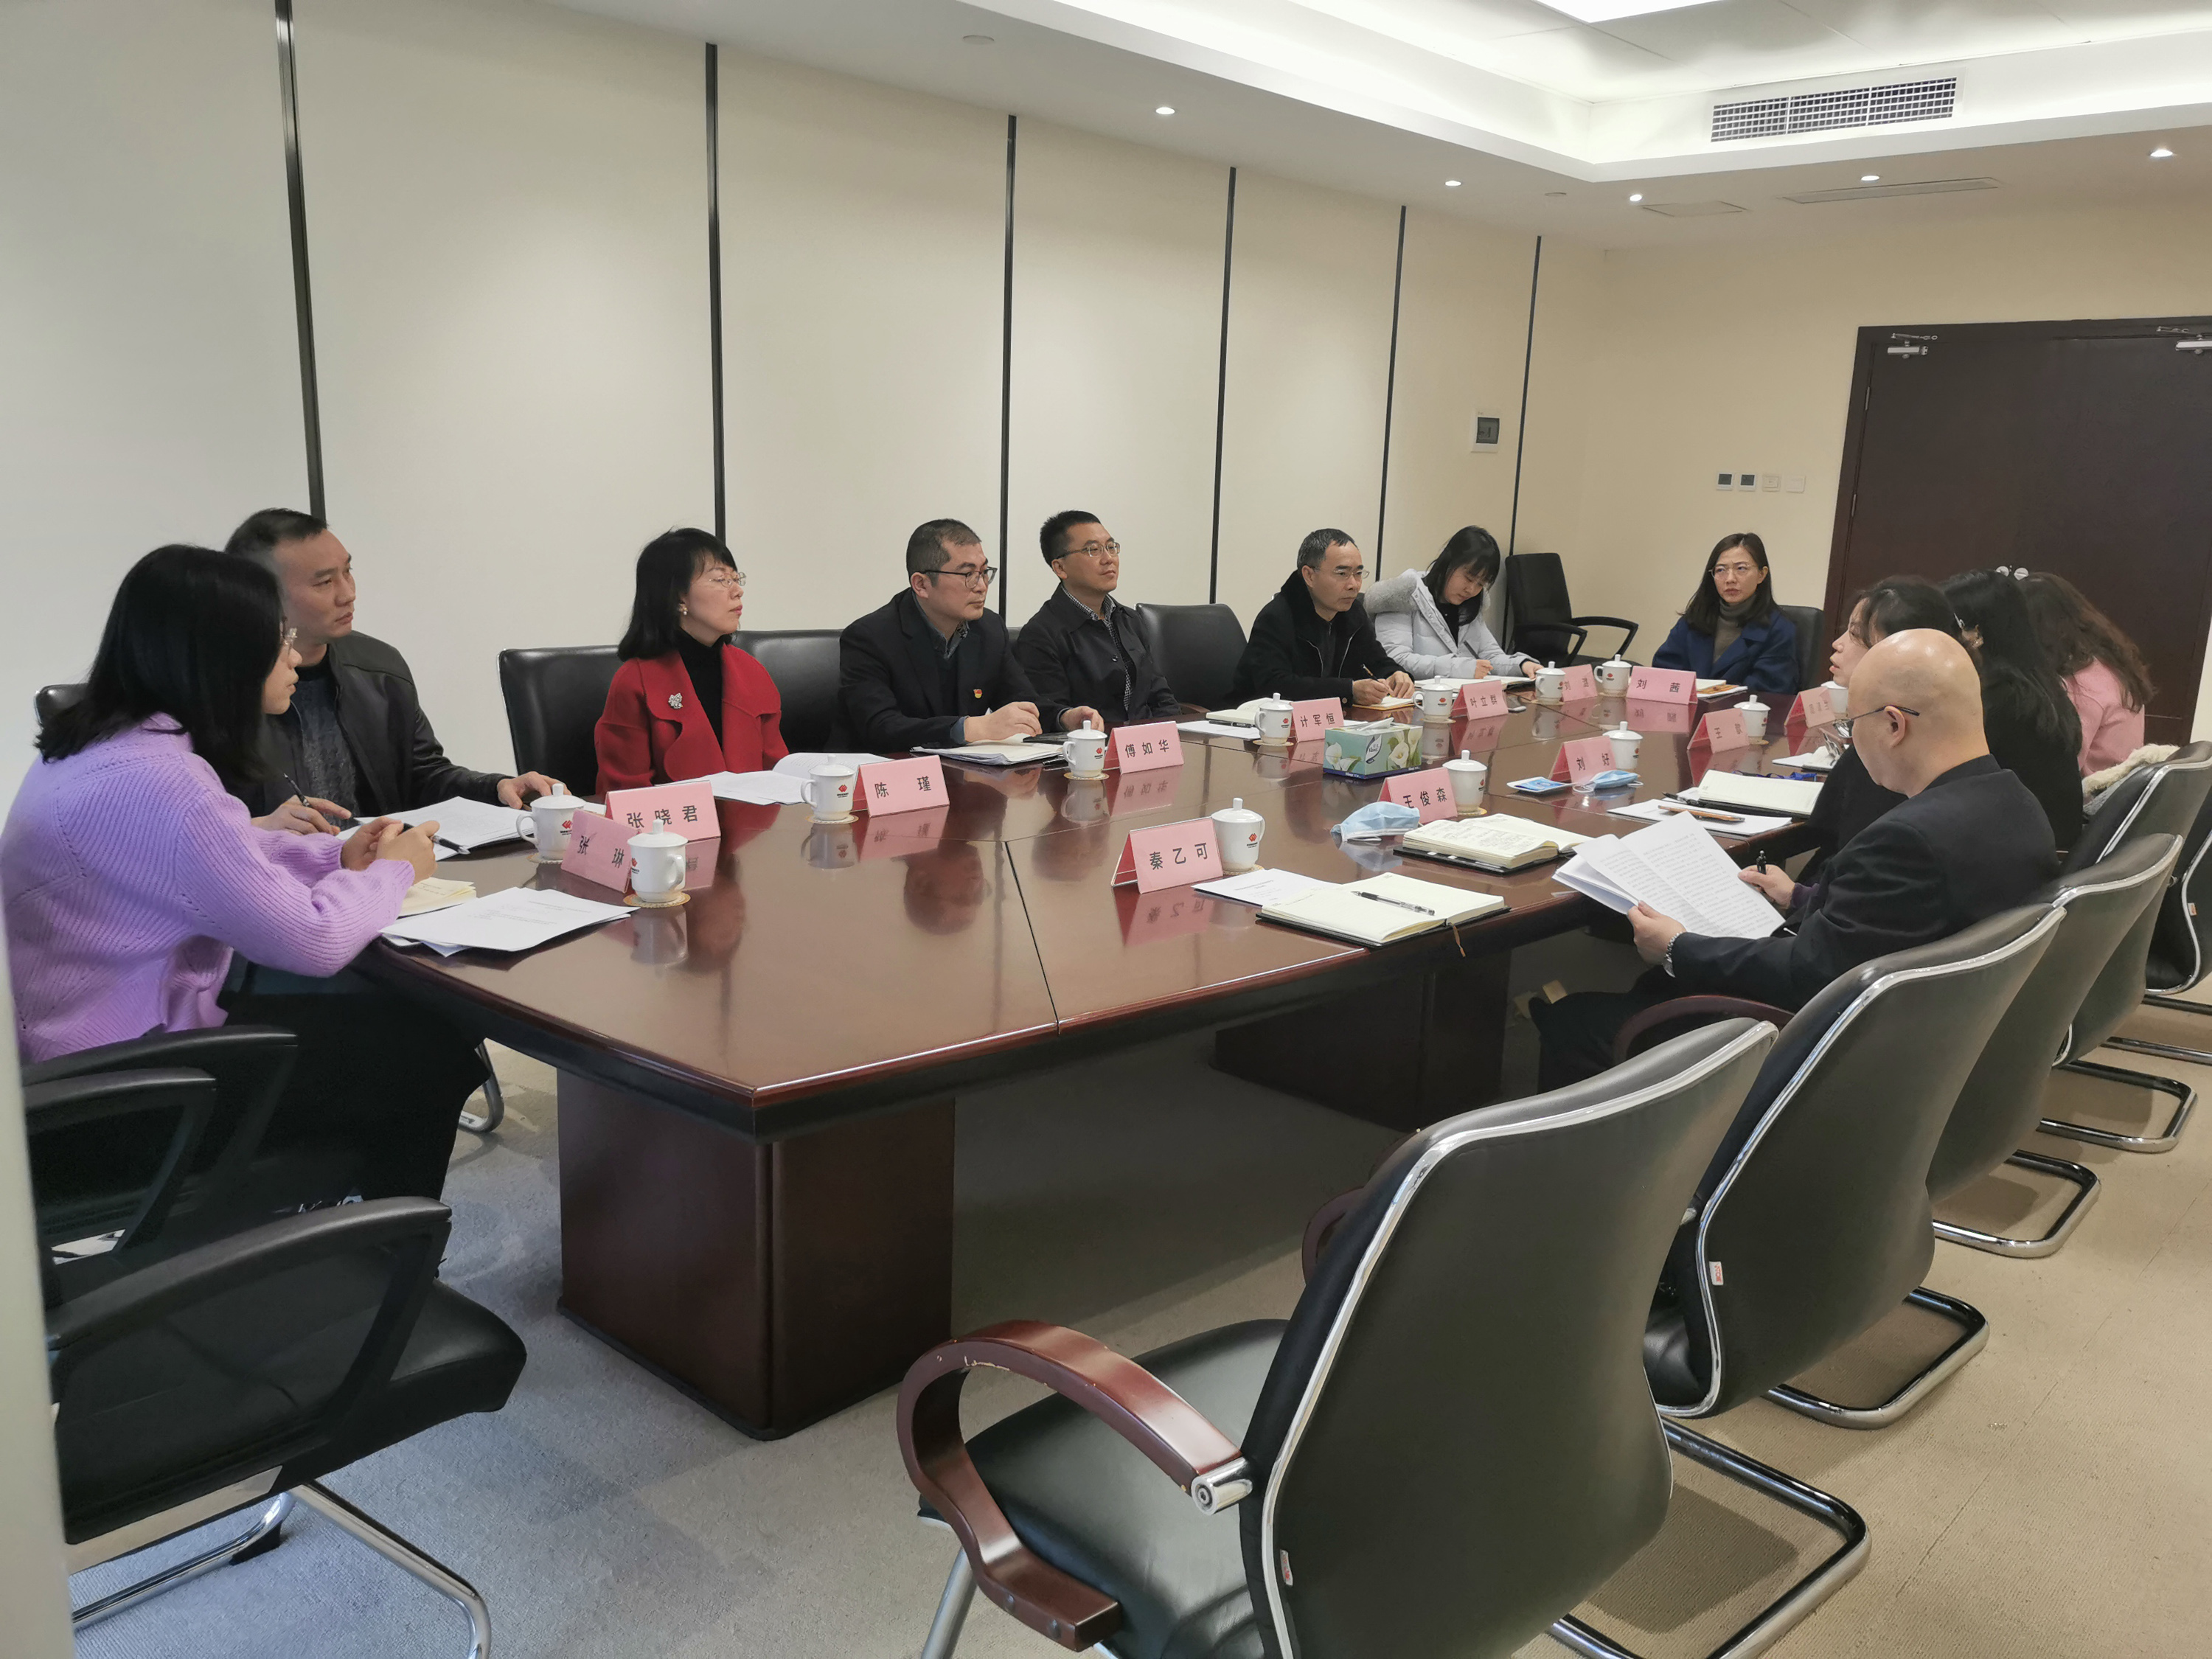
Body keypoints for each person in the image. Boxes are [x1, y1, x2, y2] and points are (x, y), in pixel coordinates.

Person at [2, 546, 484, 1206]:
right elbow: (313, 942)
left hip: (68, 1066)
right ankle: (381, 1250)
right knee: (427, 1054)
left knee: (403, 1030)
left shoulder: (99, 744)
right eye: (279, 641)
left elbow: (205, 861)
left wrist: (336, 859)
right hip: (121, 1096)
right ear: (223, 660)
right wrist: (393, 872)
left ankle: (366, 1229)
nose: (294, 659)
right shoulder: (165, 783)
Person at [1531, 630, 2057, 1088]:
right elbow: (1897, 922)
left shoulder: (1908, 839)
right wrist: (1803, 896)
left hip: (1828, 1057)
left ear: (1894, 725)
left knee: (1579, 1021)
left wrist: (1677, 947)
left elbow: (1810, 975)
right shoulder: (2017, 804)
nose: (1852, 740)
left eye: (1851, 725)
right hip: (1942, 1042)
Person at [224, 509, 563, 829]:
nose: (348, 594)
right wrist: (257, 829)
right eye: (324, 582)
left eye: (348, 572)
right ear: (262, 596)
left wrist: (496, 788)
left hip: (378, 858)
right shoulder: (220, 693)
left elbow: (422, 776)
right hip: (273, 866)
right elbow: (203, 823)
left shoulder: (378, 667)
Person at [836, 518, 1097, 752]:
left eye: (984, 572)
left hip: (957, 771)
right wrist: (973, 728)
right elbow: (881, 728)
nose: (981, 586)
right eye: (968, 575)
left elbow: (1022, 701)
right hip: (879, 775)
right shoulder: (870, 638)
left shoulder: (989, 628)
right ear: (921, 584)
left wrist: (1064, 718)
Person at [595, 528, 787, 792]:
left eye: (736, 578)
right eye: (721, 579)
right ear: (678, 596)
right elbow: (625, 794)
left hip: (754, 817)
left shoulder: (751, 671)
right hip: (672, 819)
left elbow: (778, 775)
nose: (737, 591)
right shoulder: (636, 682)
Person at [1811, 576, 1964, 862]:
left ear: (1899, 646)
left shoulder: (1893, 738)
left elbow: (1853, 858)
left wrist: (1795, 888)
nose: (1837, 644)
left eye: (1855, 634)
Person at [1941, 569, 2084, 852]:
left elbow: (1942, 781)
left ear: (1974, 634)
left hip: (2013, 857)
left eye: (1946, 629)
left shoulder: (2003, 701)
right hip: (2039, 851)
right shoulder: (2035, 688)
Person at [1012, 511, 1180, 728]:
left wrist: (1174, 734)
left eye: (1111, 547)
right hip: (1091, 746)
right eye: (1093, 550)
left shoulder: (1130, 620)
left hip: (1145, 744)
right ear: (1060, 568)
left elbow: (1161, 697)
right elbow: (1051, 717)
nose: (1108, 559)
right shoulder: (1041, 635)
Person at [1230, 529, 1416, 704]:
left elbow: (1376, 660)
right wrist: (1348, 691)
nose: (1354, 585)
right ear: (1309, 576)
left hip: (1335, 718)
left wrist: (1395, 674)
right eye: (1342, 574)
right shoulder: (1277, 618)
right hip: (1261, 720)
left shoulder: (1353, 612)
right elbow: (1274, 685)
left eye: (1358, 573)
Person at [1363, 525, 1541, 681]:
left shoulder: (1470, 606)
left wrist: (1521, 665)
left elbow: (1491, 656)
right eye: (1468, 578)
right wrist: (1460, 668)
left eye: (1480, 584)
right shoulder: (1402, 596)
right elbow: (1395, 661)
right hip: (1414, 701)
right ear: (1448, 562)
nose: (1471, 590)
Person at [2022, 571, 2154, 773]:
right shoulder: (2109, 663)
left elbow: (2060, 769)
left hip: (2092, 790)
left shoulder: (2080, 687)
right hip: (2115, 786)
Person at [1651, 533, 1799, 697]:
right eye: (1721, 570)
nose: (1730, 579)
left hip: (1741, 712)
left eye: (1741, 569)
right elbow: (1664, 671)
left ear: (1761, 575)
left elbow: (1768, 692)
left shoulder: (1779, 630)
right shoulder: (1694, 620)